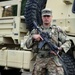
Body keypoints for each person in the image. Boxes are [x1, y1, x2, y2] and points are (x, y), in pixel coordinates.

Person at [25, 8, 72, 75]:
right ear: (42, 17)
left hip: (53, 58)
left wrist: (61, 48)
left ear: (51, 17)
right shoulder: (36, 31)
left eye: (48, 16)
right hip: (40, 59)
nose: (46, 18)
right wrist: (33, 38)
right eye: (44, 16)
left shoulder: (57, 30)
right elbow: (27, 45)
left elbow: (68, 41)